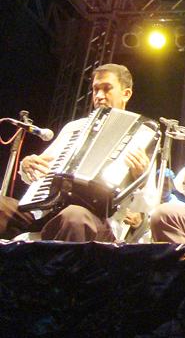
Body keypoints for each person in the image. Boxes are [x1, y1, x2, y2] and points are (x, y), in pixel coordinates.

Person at [18, 63, 152, 242]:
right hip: (48, 212)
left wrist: (140, 180)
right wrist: (27, 166)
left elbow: (149, 205)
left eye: (107, 89)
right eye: (95, 89)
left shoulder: (143, 136)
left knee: (74, 216)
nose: (99, 96)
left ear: (126, 94)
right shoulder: (74, 128)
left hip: (101, 221)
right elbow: (40, 172)